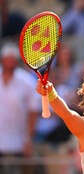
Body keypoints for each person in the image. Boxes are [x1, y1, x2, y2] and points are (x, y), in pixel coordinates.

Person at [0, 42, 39, 174]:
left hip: (19, 140)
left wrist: (28, 139)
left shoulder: (27, 81)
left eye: (13, 60)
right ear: (2, 60)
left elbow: (33, 112)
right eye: (7, 59)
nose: (10, 63)